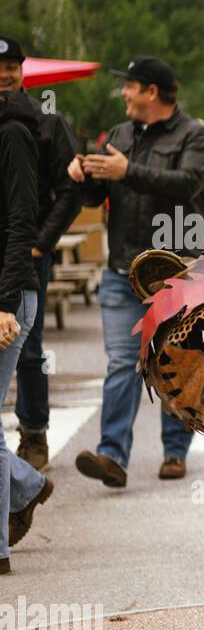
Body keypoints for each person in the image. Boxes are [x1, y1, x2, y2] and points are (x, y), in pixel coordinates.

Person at [67, 56, 204, 487]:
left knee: (175, 361)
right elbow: (98, 196)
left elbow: (186, 184)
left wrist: (127, 171)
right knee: (122, 363)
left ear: (151, 91)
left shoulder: (197, 136)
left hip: (175, 270)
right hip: (120, 271)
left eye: (129, 86)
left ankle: (175, 450)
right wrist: (84, 175)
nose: (123, 94)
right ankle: (111, 456)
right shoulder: (119, 134)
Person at [0, 35, 80, 473]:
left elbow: (70, 192)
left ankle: (33, 434)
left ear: (22, 70)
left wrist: (40, 242)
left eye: (11, 66)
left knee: (28, 345)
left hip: (29, 248)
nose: (4, 74)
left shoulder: (47, 121)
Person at [0, 85, 53, 574]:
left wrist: (5, 303)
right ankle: (26, 485)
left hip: (9, 297)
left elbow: (21, 220)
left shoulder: (13, 133)